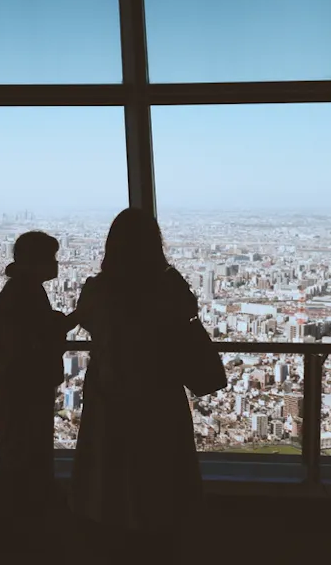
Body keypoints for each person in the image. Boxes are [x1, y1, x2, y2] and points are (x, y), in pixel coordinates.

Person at [69, 208, 203, 564]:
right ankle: (159, 531)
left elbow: (88, 320)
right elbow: (188, 314)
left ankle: (111, 532)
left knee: (112, 464)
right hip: (159, 390)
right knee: (158, 463)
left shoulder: (97, 289)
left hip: (111, 389)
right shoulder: (169, 285)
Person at [0, 231, 79, 554]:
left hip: (17, 391)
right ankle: (21, 540)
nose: (56, 263)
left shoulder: (21, 290)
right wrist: (77, 318)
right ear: (36, 262)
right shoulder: (26, 293)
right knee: (25, 460)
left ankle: (12, 536)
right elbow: (37, 336)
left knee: (17, 460)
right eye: (51, 258)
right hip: (25, 394)